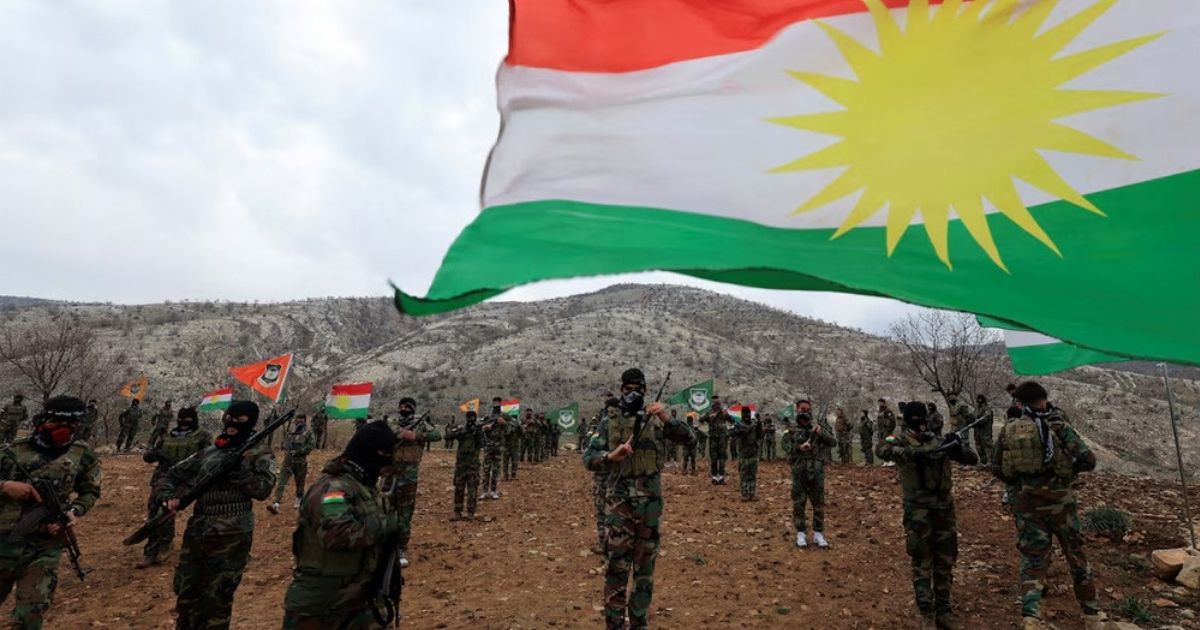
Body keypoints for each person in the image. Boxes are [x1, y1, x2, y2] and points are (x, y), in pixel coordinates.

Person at [584, 368, 695, 629]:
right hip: (619, 507)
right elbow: (589, 458)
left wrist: (666, 418)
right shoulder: (609, 421)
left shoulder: (656, 419)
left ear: (645, 390)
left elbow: (690, 439)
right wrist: (611, 456)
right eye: (628, 388)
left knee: (644, 573)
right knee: (616, 571)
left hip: (649, 508)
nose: (632, 393)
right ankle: (614, 624)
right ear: (621, 389)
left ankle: (638, 623)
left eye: (638, 389)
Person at [992, 382, 1104, 630]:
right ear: (1043, 399)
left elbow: (997, 467)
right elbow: (1088, 460)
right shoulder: (1059, 426)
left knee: (1033, 562)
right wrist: (1067, 472)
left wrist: (1022, 482)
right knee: (1076, 557)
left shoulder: (1009, 429)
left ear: (1020, 403)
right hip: (1061, 503)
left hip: (1028, 504)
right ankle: (1092, 617)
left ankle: (1031, 617)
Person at [155, 400, 275, 630]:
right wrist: (167, 496)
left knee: (217, 598)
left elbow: (263, 490)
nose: (232, 423)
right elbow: (172, 474)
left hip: (232, 532)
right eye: (229, 418)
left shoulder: (260, 453)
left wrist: (239, 472)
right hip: (198, 527)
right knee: (186, 591)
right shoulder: (211, 451)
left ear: (250, 422)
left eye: (239, 420)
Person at [282, 420, 399, 629]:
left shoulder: (365, 488)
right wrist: (387, 525)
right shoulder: (333, 488)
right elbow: (336, 534)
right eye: (384, 456)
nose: (385, 467)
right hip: (323, 604)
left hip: (361, 599)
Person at [0, 396, 100, 629]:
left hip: (44, 546)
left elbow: (91, 491)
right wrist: (5, 486)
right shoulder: (12, 451)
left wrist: (74, 510)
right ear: (43, 420)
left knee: (31, 613)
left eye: (71, 425)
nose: (64, 430)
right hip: (3, 542)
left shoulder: (82, 454)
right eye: (58, 422)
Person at [877, 401, 978, 629]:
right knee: (922, 559)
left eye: (923, 419)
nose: (921, 424)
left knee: (945, 559)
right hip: (918, 510)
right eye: (917, 420)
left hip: (944, 508)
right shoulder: (900, 439)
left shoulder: (938, 440)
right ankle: (926, 613)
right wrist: (913, 454)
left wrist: (957, 447)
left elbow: (972, 459)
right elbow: (882, 449)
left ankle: (944, 609)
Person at [139, 406, 211, 569]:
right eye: (180, 419)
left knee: (167, 510)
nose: (183, 423)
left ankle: (165, 544)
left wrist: (189, 466)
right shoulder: (167, 436)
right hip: (163, 478)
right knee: (154, 511)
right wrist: (153, 455)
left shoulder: (202, 436)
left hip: (186, 480)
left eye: (187, 420)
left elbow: (208, 457)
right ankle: (150, 550)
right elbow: (149, 456)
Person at [382, 397, 440, 569]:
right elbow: (381, 437)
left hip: (409, 476)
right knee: (386, 510)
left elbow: (437, 435)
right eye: (401, 406)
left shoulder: (421, 425)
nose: (403, 409)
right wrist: (397, 435)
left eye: (407, 407)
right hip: (390, 474)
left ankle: (401, 549)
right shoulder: (392, 424)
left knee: (405, 514)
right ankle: (385, 546)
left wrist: (416, 436)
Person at [784, 399, 837, 548]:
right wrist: (799, 447)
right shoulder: (791, 429)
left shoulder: (817, 428)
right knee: (799, 503)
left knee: (818, 503)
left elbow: (833, 442)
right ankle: (800, 533)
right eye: (802, 409)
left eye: (808, 409)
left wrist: (822, 433)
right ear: (797, 409)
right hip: (799, 471)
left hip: (816, 471)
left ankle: (818, 533)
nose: (805, 411)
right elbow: (785, 446)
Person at [270, 414, 316, 514]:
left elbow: (311, 446)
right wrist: (285, 447)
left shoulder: (308, 433)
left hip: (300, 461)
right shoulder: (291, 432)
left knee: (300, 482)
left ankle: (299, 498)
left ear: (304, 421)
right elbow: (284, 443)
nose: (299, 422)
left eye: (301, 420)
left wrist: (299, 451)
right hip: (288, 460)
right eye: (297, 420)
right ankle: (276, 503)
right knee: (282, 481)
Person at [446, 411, 484, 520]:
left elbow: (483, 444)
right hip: (461, 464)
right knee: (459, 488)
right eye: (469, 418)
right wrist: (462, 432)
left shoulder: (478, 431)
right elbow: (448, 436)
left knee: (472, 489)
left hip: (473, 465)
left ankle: (470, 512)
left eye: (473, 418)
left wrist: (478, 432)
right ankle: (457, 511)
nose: (471, 420)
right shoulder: (462, 430)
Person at [730, 410, 762, 501]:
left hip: (753, 452)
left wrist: (759, 424)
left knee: (752, 474)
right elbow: (731, 433)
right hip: (743, 454)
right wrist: (740, 431)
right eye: (745, 415)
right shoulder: (738, 425)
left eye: (748, 415)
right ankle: (745, 494)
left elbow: (760, 435)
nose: (747, 417)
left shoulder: (754, 425)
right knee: (744, 474)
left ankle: (752, 493)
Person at [700, 395, 732, 485]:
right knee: (714, 458)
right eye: (714, 403)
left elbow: (731, 419)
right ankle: (714, 477)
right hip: (713, 438)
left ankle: (721, 477)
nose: (716, 404)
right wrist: (708, 416)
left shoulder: (723, 412)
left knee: (722, 458)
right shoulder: (709, 412)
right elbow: (701, 419)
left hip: (722, 437)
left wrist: (726, 414)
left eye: (717, 402)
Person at [480, 401, 505, 500]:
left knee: (495, 470)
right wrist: (486, 427)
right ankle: (485, 491)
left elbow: (510, 428)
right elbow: (480, 426)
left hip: (498, 448)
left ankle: (494, 491)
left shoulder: (503, 418)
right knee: (486, 470)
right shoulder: (488, 418)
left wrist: (504, 423)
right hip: (488, 447)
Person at [973, 395, 994, 466]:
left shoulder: (987, 409)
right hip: (977, 433)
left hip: (985, 433)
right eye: (978, 400)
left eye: (980, 400)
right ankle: (983, 463)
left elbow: (985, 418)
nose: (979, 401)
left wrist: (975, 421)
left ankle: (990, 463)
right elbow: (972, 417)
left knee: (988, 448)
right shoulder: (976, 409)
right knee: (979, 448)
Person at [502, 409, 522, 480]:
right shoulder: (503, 425)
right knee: (505, 461)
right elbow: (506, 433)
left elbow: (522, 434)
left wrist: (519, 426)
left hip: (514, 445)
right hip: (506, 445)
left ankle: (513, 475)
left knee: (514, 461)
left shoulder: (516, 424)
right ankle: (505, 475)